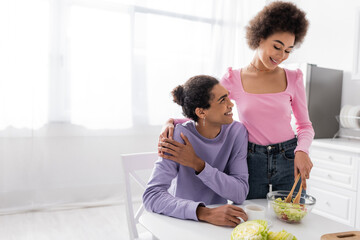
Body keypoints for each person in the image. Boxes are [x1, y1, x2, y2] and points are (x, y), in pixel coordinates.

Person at [159, 1, 314, 199]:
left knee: (292, 219)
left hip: (289, 158)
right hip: (251, 159)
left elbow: (305, 125)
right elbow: (209, 109)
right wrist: (173, 121)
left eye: (288, 50)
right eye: (277, 47)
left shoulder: (294, 78)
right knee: (252, 222)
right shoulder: (233, 78)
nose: (282, 55)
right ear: (260, 38)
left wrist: (302, 151)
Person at [143, 75, 249, 227]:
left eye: (228, 97)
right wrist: (205, 213)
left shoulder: (236, 131)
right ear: (201, 112)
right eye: (222, 100)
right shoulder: (177, 136)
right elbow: (152, 196)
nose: (231, 104)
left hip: (220, 223)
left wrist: (198, 164)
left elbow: (240, 193)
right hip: (180, 220)